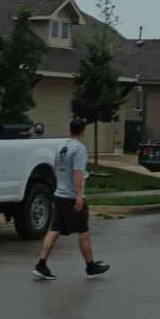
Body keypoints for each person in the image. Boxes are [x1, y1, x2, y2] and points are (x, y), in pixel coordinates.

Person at [33, 116, 110, 280]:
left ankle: (41, 264)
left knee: (54, 230)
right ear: (83, 130)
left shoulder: (61, 146)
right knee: (83, 232)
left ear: (70, 129)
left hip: (60, 195)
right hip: (71, 197)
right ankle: (90, 267)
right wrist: (79, 196)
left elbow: (56, 167)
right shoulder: (79, 149)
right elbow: (78, 173)